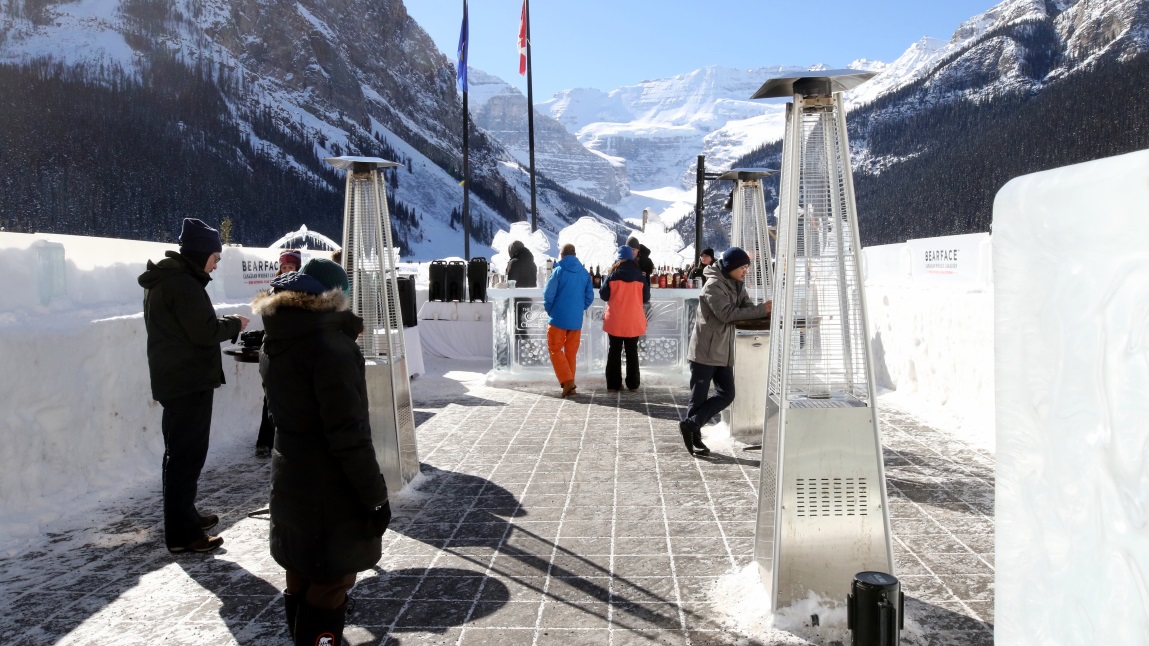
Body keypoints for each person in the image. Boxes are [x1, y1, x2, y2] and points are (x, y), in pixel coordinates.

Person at [252, 257, 391, 645]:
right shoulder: (331, 347)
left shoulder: (277, 336)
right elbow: (348, 435)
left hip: (290, 473)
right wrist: (375, 496)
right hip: (330, 486)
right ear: (333, 297)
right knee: (332, 580)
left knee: (300, 571)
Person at [138, 218, 249, 553]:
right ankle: (183, 535)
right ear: (201, 253)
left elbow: (189, 327)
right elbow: (203, 332)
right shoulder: (183, 285)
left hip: (176, 379)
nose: (216, 265)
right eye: (215, 258)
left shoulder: (169, 280)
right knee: (185, 457)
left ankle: (183, 517)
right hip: (187, 381)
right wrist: (234, 323)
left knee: (179, 455)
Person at [680, 247, 771, 457]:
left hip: (722, 349)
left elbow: (746, 307)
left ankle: (690, 425)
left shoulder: (737, 285)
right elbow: (727, 314)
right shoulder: (713, 285)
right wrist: (761, 310)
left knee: (727, 394)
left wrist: (763, 311)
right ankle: (694, 435)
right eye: (743, 267)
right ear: (731, 267)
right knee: (698, 398)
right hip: (706, 349)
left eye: (747, 267)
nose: (745, 271)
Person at [255, 249, 303, 458]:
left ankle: (286, 442)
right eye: (284, 267)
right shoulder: (274, 291)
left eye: (290, 267)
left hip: (294, 353)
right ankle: (264, 441)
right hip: (275, 352)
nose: (286, 271)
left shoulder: (305, 291)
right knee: (270, 399)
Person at [542, 243, 594, 397]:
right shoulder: (584, 273)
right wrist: (578, 309)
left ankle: (568, 382)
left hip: (558, 318)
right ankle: (569, 385)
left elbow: (548, 295)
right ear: (575, 255)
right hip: (576, 320)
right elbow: (589, 297)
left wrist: (552, 310)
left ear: (562, 256)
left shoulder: (558, 271)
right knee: (570, 352)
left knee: (555, 348)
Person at [600, 245, 650, 391]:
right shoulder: (640, 277)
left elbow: (604, 295)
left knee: (614, 350)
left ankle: (614, 384)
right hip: (634, 319)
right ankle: (633, 384)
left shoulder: (612, 275)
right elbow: (646, 297)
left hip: (615, 319)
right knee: (632, 351)